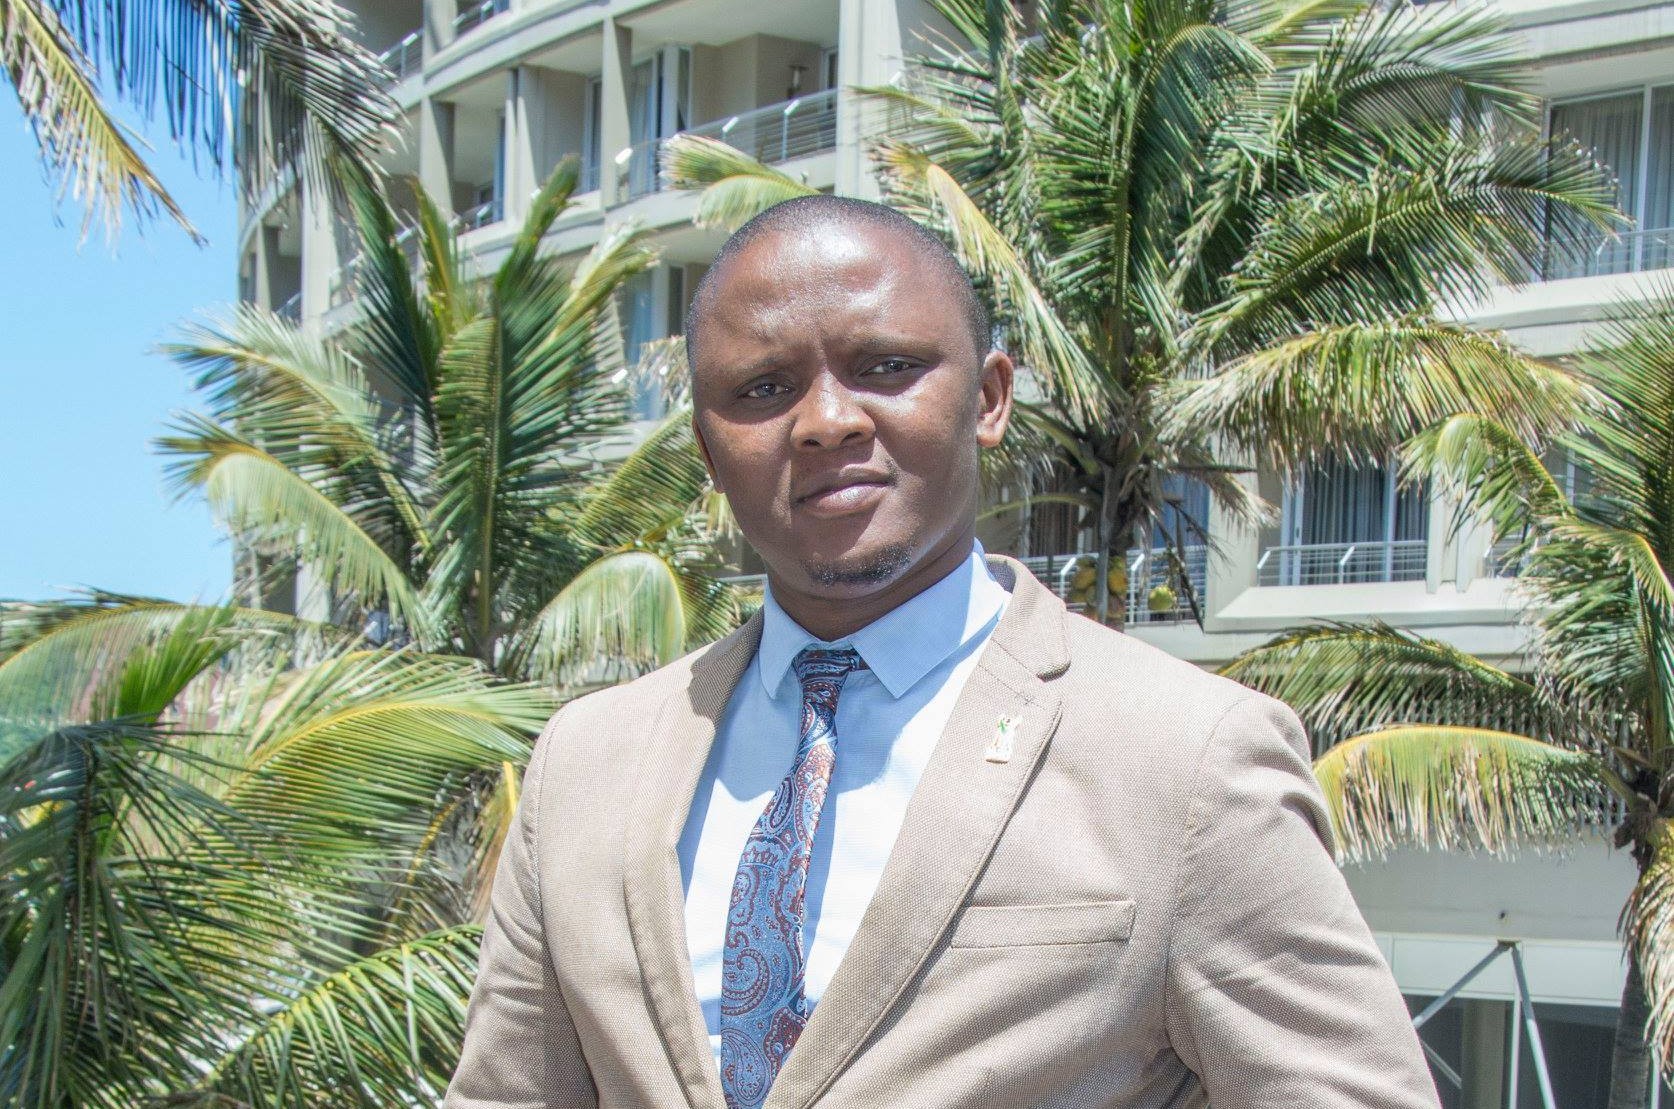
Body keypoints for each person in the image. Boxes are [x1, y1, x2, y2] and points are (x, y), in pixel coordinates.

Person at [444, 195, 1441, 1109]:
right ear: (708, 450)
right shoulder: (589, 764)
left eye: (885, 366)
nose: (827, 421)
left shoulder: (1186, 757)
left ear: (990, 397)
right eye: (762, 387)